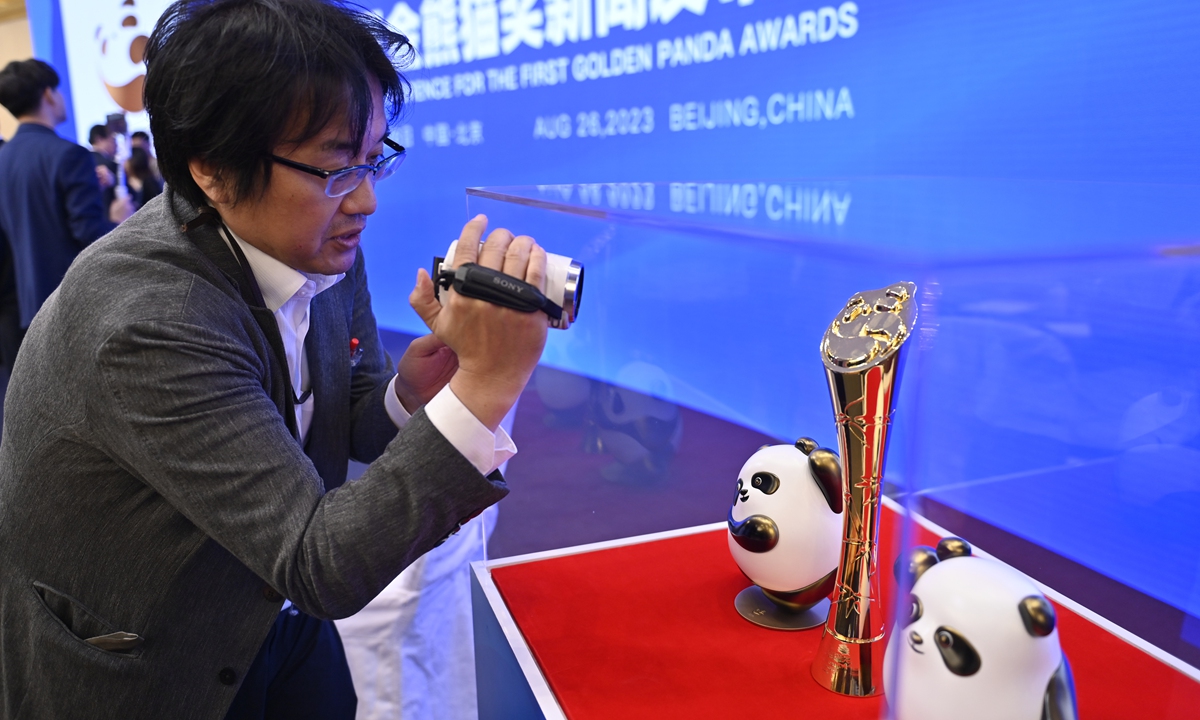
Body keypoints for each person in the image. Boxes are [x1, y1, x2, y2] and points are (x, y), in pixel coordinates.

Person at [0, 2, 549, 719]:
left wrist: (413, 394)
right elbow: (319, 562)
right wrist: (488, 381)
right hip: (148, 660)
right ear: (213, 171)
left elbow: (336, 407)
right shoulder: (147, 321)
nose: (367, 199)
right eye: (333, 167)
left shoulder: (313, 238)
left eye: (374, 157)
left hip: (276, 617)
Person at [0, 59, 130, 366]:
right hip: (75, 303)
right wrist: (118, 218)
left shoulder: (4, 158)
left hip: (23, 307)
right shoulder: (69, 154)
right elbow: (89, 235)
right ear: (48, 94)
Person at [89, 123, 119, 210]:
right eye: (113, 140)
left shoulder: (82, 162)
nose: (116, 145)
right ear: (99, 139)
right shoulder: (110, 165)